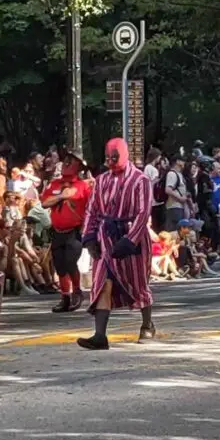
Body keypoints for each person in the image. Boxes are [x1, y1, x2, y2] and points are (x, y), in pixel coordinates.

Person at [77, 138, 155, 350]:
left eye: (115, 157)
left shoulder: (141, 180)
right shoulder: (101, 180)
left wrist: (131, 240)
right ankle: (100, 335)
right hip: (106, 237)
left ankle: (147, 324)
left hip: (131, 236)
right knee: (103, 282)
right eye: (108, 157)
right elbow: (92, 211)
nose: (111, 161)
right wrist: (89, 237)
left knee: (138, 282)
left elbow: (143, 212)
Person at [41, 149, 92, 312]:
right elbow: (45, 203)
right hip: (57, 231)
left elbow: (92, 207)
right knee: (60, 265)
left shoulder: (83, 186)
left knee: (70, 261)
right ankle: (65, 297)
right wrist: (62, 196)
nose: (67, 164)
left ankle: (77, 291)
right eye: (66, 160)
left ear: (79, 167)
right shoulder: (54, 184)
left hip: (74, 231)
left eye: (72, 161)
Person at [164, 155, 190, 231]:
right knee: (174, 232)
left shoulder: (179, 174)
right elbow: (168, 190)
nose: (184, 162)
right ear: (177, 161)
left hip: (179, 207)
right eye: (182, 160)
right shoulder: (172, 174)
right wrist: (180, 198)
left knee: (180, 232)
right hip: (174, 207)